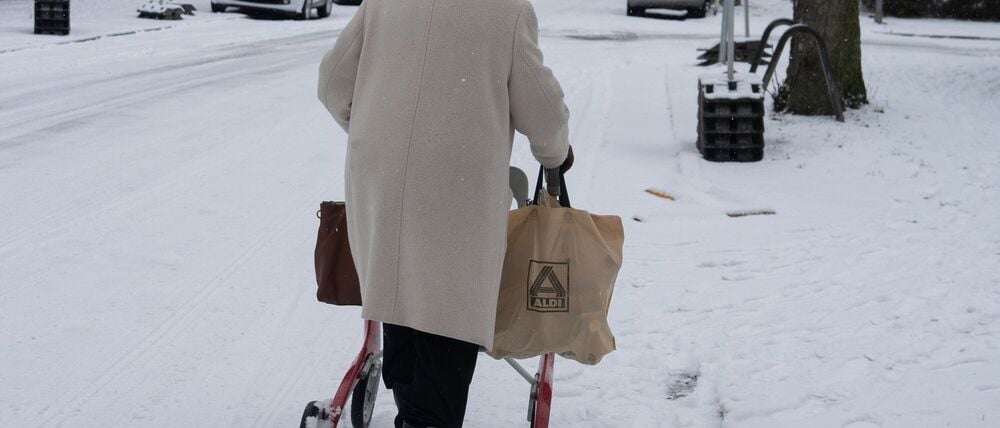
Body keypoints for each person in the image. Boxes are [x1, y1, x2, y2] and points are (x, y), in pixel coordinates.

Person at [318, 0, 572, 425]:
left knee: (400, 291)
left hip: (382, 181)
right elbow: (544, 111)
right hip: (455, 191)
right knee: (445, 305)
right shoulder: (506, 10)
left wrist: (376, 129)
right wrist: (555, 153)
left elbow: (331, 83)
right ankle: (427, 414)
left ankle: (413, 400)